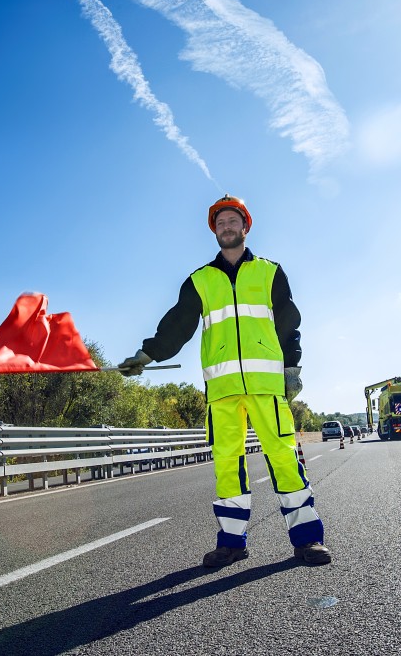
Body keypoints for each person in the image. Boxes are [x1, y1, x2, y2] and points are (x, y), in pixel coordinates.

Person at [118, 194, 331, 568]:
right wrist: (145, 356)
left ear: (245, 227)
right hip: (223, 393)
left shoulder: (270, 272)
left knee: (283, 460)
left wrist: (292, 368)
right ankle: (232, 543)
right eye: (220, 223)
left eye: (232, 221)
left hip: (267, 389)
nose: (226, 227)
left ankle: (308, 540)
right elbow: (176, 327)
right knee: (227, 466)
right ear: (214, 231)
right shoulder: (200, 281)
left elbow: (288, 324)